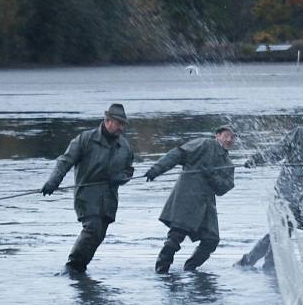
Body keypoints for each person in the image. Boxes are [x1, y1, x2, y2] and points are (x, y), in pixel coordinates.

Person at [234, 116, 303, 269]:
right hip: (285, 191)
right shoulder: (300, 134)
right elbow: (279, 151)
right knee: (280, 229)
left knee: (283, 232)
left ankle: (262, 264)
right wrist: (257, 160)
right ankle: (255, 263)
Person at [42, 103, 134, 273]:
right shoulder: (85, 139)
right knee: (92, 228)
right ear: (107, 121)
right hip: (87, 196)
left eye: (123, 124)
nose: (121, 128)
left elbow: (129, 170)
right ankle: (72, 265)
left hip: (109, 198)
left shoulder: (125, 147)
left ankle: (80, 268)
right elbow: (65, 161)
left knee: (99, 235)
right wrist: (53, 182)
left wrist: (121, 178)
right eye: (118, 123)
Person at [144, 126, 236, 273]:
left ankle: (190, 269)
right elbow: (178, 154)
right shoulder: (203, 144)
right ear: (217, 135)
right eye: (226, 136)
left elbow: (224, 188)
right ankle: (161, 272)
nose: (229, 140)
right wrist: (157, 169)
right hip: (186, 199)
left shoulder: (228, 164)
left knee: (211, 240)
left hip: (206, 206)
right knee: (175, 237)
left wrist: (211, 176)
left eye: (232, 137)